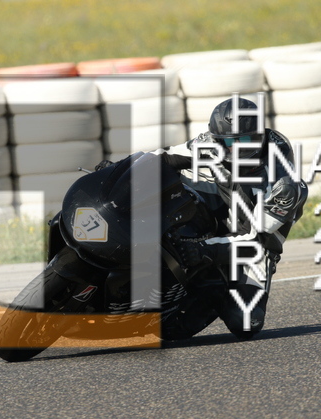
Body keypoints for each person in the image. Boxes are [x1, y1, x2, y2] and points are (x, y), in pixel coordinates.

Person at [96, 97, 308, 340]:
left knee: (246, 323)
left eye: (245, 141)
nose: (235, 149)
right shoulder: (210, 143)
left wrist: (203, 250)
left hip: (255, 247)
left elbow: (255, 239)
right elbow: (163, 157)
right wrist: (120, 170)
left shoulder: (284, 185)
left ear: (259, 137)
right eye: (229, 142)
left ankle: (212, 288)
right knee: (167, 184)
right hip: (222, 206)